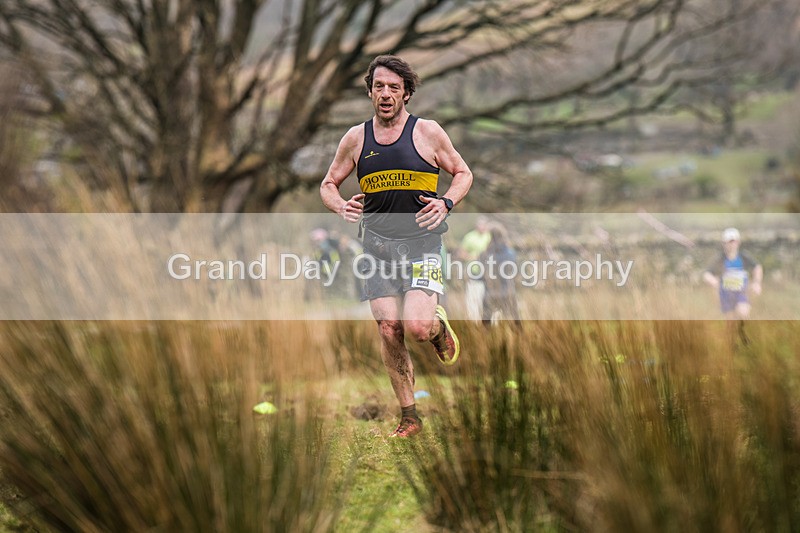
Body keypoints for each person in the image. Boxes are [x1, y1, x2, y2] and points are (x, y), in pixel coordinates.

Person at [320, 55, 473, 437]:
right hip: (376, 249)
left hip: (423, 245)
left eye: (393, 87)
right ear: (370, 92)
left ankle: (438, 331)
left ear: (406, 93)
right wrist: (341, 205)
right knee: (390, 327)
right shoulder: (356, 138)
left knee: (417, 327)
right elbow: (328, 184)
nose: (385, 94)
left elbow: (463, 172)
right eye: (378, 87)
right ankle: (410, 416)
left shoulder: (428, 133)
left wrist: (446, 202)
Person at [703, 227, 763, 320]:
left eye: (733, 241)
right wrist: (712, 280)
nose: (731, 245)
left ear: (738, 242)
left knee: (743, 313)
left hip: (741, 293)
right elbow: (707, 274)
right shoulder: (720, 259)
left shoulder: (743, 257)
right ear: (724, 244)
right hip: (725, 295)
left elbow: (757, 267)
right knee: (731, 321)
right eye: (729, 242)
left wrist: (757, 283)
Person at [480, 222, 521, 327]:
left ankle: (486, 342)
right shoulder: (511, 253)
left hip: (490, 292)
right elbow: (515, 273)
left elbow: (481, 275)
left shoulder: (485, 254)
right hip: (508, 291)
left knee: (486, 326)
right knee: (515, 324)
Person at [458, 216, 492, 321]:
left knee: (488, 300)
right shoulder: (470, 237)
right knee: (473, 299)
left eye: (484, 225)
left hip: (489, 274)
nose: (482, 227)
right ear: (476, 226)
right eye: (480, 224)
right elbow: (461, 253)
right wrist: (472, 257)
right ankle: (474, 322)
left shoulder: (490, 237)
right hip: (474, 273)